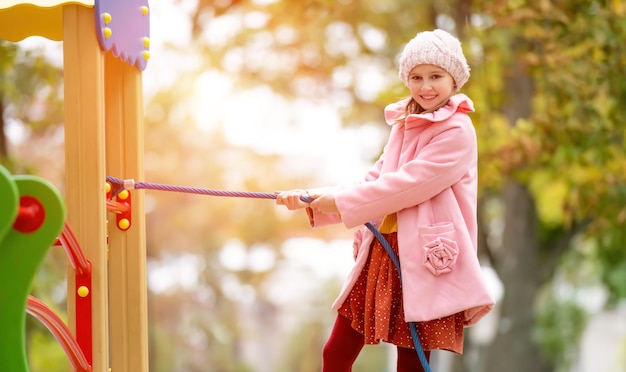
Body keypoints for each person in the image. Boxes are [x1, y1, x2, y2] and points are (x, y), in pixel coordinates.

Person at [276, 29, 495, 372]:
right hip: (383, 249)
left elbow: (405, 186)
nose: (425, 86)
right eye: (416, 77)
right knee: (335, 352)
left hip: (423, 259)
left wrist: (340, 200)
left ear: (455, 79)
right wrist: (314, 199)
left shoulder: (457, 132)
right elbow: (377, 177)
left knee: (410, 361)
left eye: (435, 76)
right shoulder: (404, 124)